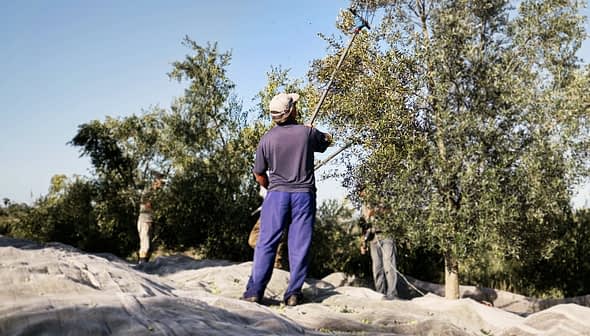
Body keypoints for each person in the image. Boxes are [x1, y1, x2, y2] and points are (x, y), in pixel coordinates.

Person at [242, 92, 332, 306]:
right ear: (291, 111)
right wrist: (315, 132)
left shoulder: (266, 138)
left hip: (276, 195)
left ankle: (255, 292)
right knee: (299, 244)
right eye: (295, 106)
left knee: (266, 243)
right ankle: (293, 294)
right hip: (303, 195)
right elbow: (327, 140)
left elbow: (259, 174)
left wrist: (270, 187)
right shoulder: (306, 133)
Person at [359, 192, 398, 300]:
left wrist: (376, 211)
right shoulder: (364, 206)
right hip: (373, 239)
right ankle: (380, 295)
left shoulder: (381, 197)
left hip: (386, 235)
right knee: (377, 269)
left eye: (362, 191)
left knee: (389, 266)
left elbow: (391, 210)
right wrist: (363, 243)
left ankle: (392, 295)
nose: (361, 194)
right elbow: (363, 225)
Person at [248, 186, 289, 270]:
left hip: (276, 208)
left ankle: (276, 263)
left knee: (278, 237)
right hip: (269, 208)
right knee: (254, 239)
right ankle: (270, 256)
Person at [137, 172, 164, 264]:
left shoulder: (157, 194)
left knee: (151, 246)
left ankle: (145, 264)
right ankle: (142, 265)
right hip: (145, 220)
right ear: (155, 182)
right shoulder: (148, 193)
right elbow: (148, 206)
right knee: (145, 245)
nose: (161, 184)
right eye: (160, 181)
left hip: (151, 221)